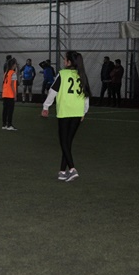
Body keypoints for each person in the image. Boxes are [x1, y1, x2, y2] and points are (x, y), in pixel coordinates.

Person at [41, 51, 91, 182]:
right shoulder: (82, 75)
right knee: (67, 142)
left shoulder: (62, 74)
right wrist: (84, 112)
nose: (64, 61)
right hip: (77, 111)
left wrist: (46, 106)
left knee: (64, 142)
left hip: (65, 111)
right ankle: (62, 172)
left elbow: (53, 91)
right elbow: (86, 96)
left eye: (65, 59)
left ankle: (72, 169)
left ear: (69, 62)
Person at [1, 57, 18, 131]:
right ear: (13, 65)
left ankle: (4, 124)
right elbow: (12, 85)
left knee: (5, 110)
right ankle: (9, 125)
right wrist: (15, 94)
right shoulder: (13, 73)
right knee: (10, 110)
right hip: (10, 94)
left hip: (5, 93)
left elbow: (4, 84)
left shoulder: (6, 73)